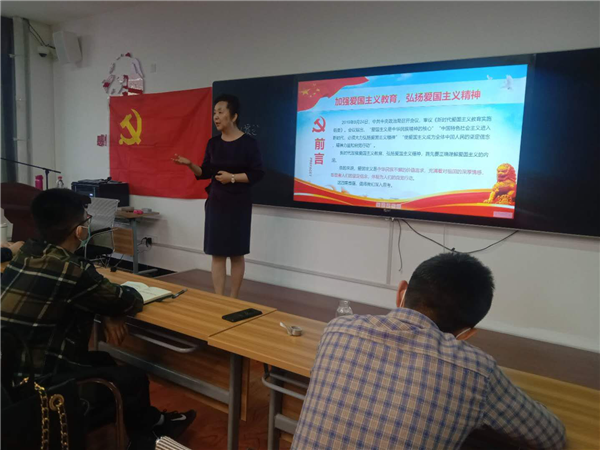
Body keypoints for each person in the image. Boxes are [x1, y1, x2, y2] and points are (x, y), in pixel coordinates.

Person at [291, 253, 566, 450]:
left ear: (401, 292)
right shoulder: (477, 371)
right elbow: (551, 437)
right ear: (467, 333)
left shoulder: (338, 330)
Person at [1, 189, 196, 449]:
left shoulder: (26, 253)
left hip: (9, 376)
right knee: (134, 377)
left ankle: (153, 422)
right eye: (86, 219)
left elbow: (94, 297)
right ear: (79, 231)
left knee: (103, 360)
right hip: (37, 389)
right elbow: (127, 299)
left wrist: (105, 310)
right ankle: (144, 442)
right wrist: (110, 309)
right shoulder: (72, 270)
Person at [172, 94, 264, 298]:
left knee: (237, 253)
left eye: (220, 112)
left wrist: (233, 178)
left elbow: (257, 173)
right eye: (214, 113)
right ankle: (219, 299)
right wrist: (190, 165)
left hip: (239, 204)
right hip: (217, 202)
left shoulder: (249, 143)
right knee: (217, 253)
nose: (216, 116)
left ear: (234, 116)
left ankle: (234, 299)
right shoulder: (213, 143)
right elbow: (205, 172)